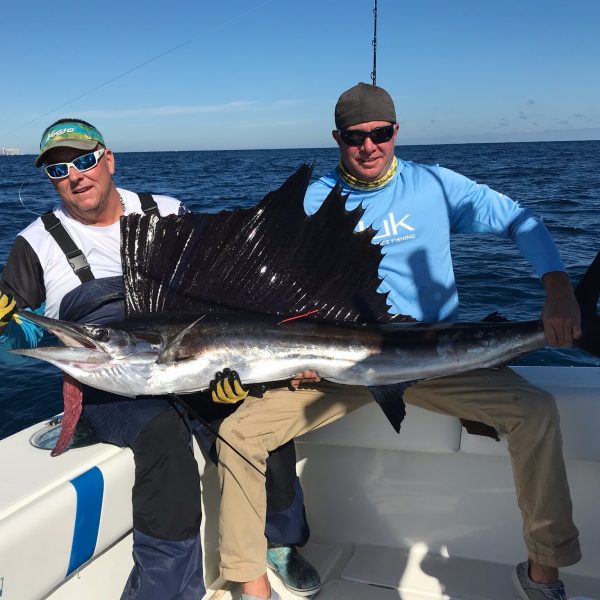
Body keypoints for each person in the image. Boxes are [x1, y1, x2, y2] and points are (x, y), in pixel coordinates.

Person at [213, 83, 581, 600]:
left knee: (536, 411)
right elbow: (280, 298)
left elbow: (521, 220)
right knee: (240, 434)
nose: (368, 147)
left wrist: (558, 287)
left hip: (433, 359)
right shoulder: (313, 200)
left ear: (395, 132)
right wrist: (291, 358)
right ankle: (251, 584)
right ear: (337, 138)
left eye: (380, 134)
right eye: (354, 137)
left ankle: (545, 573)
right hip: (334, 368)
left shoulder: (433, 185)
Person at [0, 118, 321, 599]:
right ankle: (164, 590)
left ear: (109, 160)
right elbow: (20, 341)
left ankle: (279, 541)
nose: (75, 175)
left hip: (195, 357)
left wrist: (229, 368)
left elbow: (218, 290)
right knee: (164, 438)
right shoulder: (36, 241)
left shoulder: (166, 211)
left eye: (85, 160)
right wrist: (7, 326)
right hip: (110, 380)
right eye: (58, 169)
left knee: (255, 416)